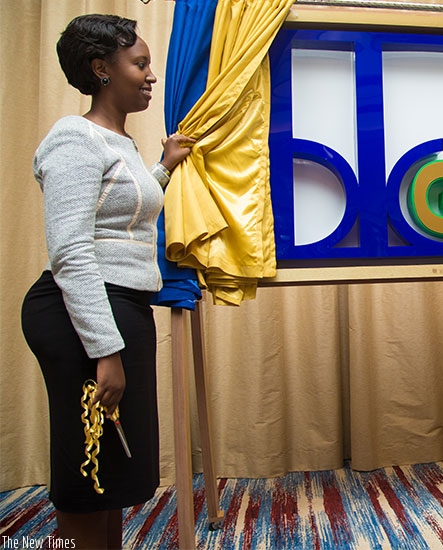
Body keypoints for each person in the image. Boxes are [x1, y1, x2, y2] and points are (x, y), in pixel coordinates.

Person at [20, 14, 192, 549]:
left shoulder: (117, 142)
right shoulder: (73, 138)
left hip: (121, 310)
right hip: (84, 315)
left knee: (113, 472)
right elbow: (71, 251)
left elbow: (122, 216)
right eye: (139, 64)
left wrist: (162, 168)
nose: (150, 75)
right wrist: (106, 350)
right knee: (85, 469)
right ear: (101, 69)